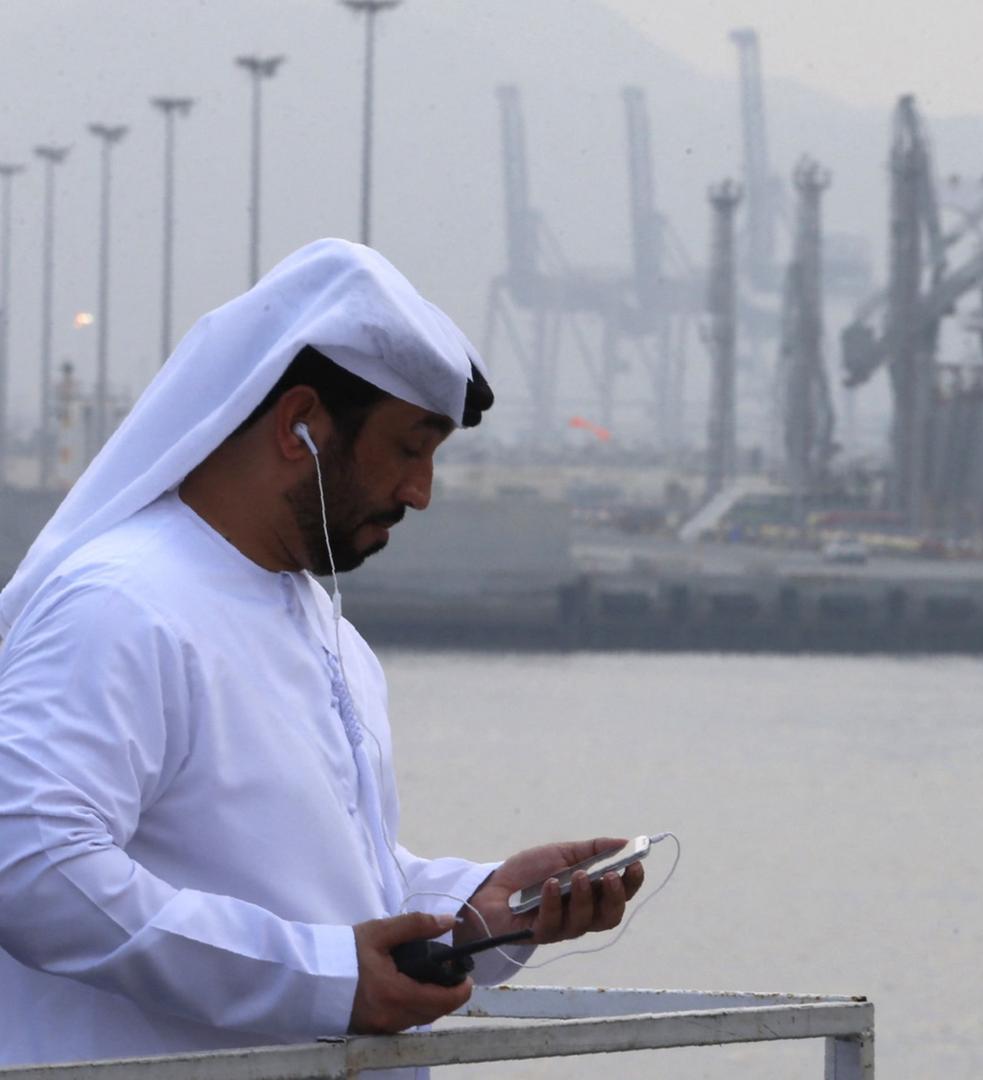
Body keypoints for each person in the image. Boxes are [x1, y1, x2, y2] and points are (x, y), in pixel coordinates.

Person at [0, 239, 640, 1067]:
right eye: (410, 448)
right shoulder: (123, 604)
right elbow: (33, 867)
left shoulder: (325, 629)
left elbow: (328, 881)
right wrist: (323, 978)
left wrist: (479, 910)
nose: (422, 493)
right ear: (299, 424)